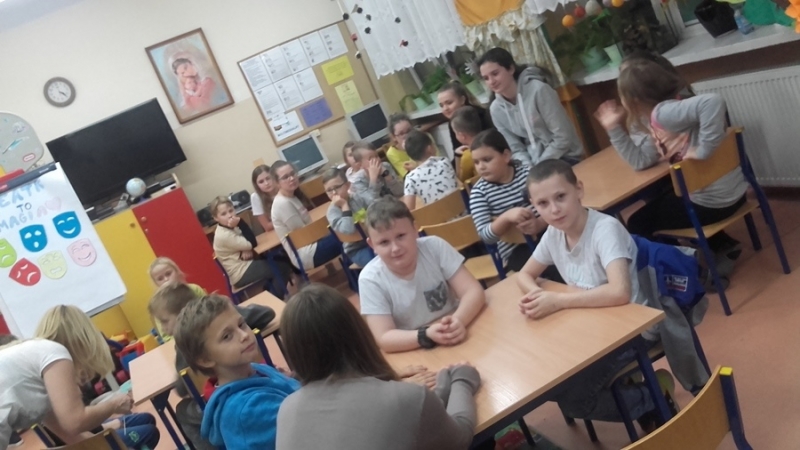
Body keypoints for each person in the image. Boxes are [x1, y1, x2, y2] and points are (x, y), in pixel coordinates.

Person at [516, 159, 676, 429]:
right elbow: (524, 275)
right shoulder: (554, 233)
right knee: (547, 382)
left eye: (561, 197)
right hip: (592, 328)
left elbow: (619, 292)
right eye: (542, 204)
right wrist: (537, 296)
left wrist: (558, 301)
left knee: (575, 401)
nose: (554, 210)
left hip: (632, 331)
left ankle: (653, 395)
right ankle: (632, 392)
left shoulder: (604, 229)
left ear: (579, 190)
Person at [276, 284, 481, 450]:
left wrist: (443, 386)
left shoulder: (287, 409)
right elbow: (460, 438)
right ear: (357, 330)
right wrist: (462, 379)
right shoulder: (403, 398)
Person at [615, 58, 747, 275]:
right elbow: (642, 160)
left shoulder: (662, 114)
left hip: (713, 204)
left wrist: (704, 149)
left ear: (634, 99)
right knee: (664, 195)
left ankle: (689, 274)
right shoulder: (668, 111)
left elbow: (713, 101)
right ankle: (719, 246)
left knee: (639, 223)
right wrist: (615, 128)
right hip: (736, 193)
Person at [0, 305, 160, 450]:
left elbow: (72, 436)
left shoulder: (36, 365)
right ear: (82, 340)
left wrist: (113, 444)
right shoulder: (53, 353)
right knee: (148, 432)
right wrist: (113, 404)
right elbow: (75, 422)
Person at [148, 282, 275, 450]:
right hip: (247, 385)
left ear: (181, 316)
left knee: (182, 410)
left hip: (222, 397)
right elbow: (267, 313)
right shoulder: (226, 316)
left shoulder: (186, 346)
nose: (244, 336)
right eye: (227, 336)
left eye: (165, 321)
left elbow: (183, 388)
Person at [358, 197, 486, 353]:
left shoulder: (435, 246)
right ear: (372, 245)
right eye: (384, 242)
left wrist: (458, 321)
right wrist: (426, 335)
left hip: (455, 329)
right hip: (415, 348)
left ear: (415, 230)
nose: (395, 248)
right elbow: (383, 337)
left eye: (401, 236)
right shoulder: (369, 280)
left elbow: (472, 290)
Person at [173, 294, 299, 450]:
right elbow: (307, 429)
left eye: (241, 324)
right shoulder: (247, 410)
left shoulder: (256, 369)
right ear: (205, 360)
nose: (244, 335)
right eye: (227, 336)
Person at [478, 47, 583, 166]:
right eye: (486, 78)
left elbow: (563, 137)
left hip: (564, 156)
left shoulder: (539, 90)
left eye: (495, 74)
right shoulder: (496, 109)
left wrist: (540, 166)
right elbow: (515, 149)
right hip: (533, 164)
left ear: (511, 69)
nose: (491, 81)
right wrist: (528, 168)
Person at [468, 129, 547, 273]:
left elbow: (551, 204)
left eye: (487, 160)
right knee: (549, 266)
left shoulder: (529, 174)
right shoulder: (479, 193)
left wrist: (540, 223)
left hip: (547, 233)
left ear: (506, 156)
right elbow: (485, 236)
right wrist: (506, 217)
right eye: (476, 162)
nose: (481, 167)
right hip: (516, 251)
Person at [270, 161, 342, 272]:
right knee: (348, 233)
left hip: (313, 245)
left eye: (292, 173)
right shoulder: (282, 203)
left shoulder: (292, 196)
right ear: (277, 183)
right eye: (285, 177)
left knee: (346, 229)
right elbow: (306, 235)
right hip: (306, 254)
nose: (291, 178)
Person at [212, 195, 293, 293]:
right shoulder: (224, 235)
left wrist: (247, 248)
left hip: (246, 262)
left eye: (231, 210)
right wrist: (241, 222)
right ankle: (275, 297)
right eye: (223, 214)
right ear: (216, 218)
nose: (229, 215)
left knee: (282, 258)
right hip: (241, 272)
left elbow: (248, 239)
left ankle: (269, 291)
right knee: (282, 268)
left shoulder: (230, 226)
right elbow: (252, 243)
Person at [322, 167, 376, 268]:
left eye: (337, 187)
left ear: (348, 185)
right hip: (357, 249)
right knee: (379, 261)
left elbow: (376, 206)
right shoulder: (332, 212)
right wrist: (344, 206)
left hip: (375, 239)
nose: (334, 193)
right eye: (329, 190)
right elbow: (348, 229)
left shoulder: (357, 197)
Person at [148, 256, 207, 339]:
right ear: (156, 283)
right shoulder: (158, 304)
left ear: (177, 271)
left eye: (168, 274)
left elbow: (209, 312)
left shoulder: (194, 289)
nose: (166, 279)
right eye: (160, 278)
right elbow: (166, 337)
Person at [402, 130, 459, 210]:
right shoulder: (444, 162)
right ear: (430, 149)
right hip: (465, 214)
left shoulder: (410, 178)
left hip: (439, 217)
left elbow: (408, 210)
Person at [438, 81, 493, 155]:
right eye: (441, 105)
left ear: (462, 100)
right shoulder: (453, 121)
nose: (445, 108)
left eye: (449, 103)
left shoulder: (482, 115)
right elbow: (457, 150)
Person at [450, 106, 492, 181]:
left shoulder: (467, 156)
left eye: (455, 132)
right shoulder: (492, 142)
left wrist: (457, 156)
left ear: (462, 136)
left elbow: (460, 180)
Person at [386, 113, 417, 178]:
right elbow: (409, 176)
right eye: (401, 134)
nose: (407, 135)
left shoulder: (425, 138)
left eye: (409, 130)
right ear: (394, 137)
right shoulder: (392, 153)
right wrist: (410, 149)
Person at [251, 164, 278, 232]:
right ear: (257, 185)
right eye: (261, 182)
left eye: (268, 178)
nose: (266, 183)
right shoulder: (256, 197)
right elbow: (267, 227)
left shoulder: (283, 187)